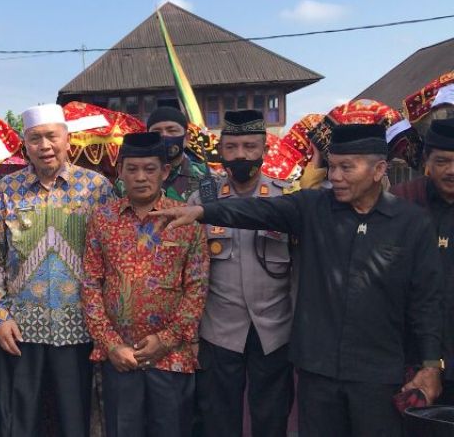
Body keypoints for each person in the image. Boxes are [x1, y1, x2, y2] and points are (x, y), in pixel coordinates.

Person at [151, 123, 444, 437]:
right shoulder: (312, 207)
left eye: (346, 168)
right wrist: (201, 212)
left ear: (379, 170)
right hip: (317, 372)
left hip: (378, 374)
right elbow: (256, 210)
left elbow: (425, 301)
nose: (335, 176)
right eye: (332, 166)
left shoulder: (411, 223)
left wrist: (430, 365)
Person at [0, 104, 115, 437]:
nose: (44, 146)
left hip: (79, 326)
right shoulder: (5, 191)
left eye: (51, 137)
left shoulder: (96, 188)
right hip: (20, 330)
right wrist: (0, 317)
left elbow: (109, 259)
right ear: (25, 145)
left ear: (67, 140)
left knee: (75, 420)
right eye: (35, 139)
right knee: (20, 421)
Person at [82, 132, 208, 437]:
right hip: (120, 357)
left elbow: (197, 289)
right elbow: (90, 284)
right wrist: (111, 344)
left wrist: (166, 339)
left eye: (150, 169)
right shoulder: (102, 219)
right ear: (120, 171)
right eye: (132, 169)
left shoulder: (186, 221)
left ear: (164, 171)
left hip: (171, 356)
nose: (141, 177)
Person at [189, 110, 295, 437]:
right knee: (218, 420)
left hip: (275, 328)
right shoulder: (201, 200)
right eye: (232, 147)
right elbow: (189, 271)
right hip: (219, 329)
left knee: (271, 419)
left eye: (250, 146)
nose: (240, 155)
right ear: (221, 150)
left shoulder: (286, 197)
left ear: (265, 149)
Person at [391, 118, 454, 404]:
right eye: (442, 161)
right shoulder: (401, 202)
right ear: (426, 160)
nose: (452, 170)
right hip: (409, 359)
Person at [115, 106, 204, 201]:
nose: (164, 135)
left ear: (186, 138)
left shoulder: (205, 177)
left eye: (172, 131)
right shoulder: (125, 182)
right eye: (157, 132)